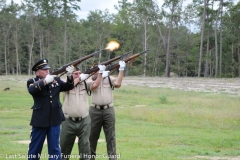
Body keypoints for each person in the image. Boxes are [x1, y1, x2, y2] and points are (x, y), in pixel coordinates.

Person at [27, 59, 75, 160]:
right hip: (40, 120)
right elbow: (32, 90)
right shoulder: (32, 81)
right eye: (44, 70)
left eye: (48, 69)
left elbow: (68, 86)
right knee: (35, 148)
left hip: (55, 119)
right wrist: (45, 81)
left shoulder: (56, 79)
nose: (47, 71)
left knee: (55, 149)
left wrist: (70, 76)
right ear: (37, 71)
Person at [60, 65, 106, 160]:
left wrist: (100, 73)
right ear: (71, 74)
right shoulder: (65, 83)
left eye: (79, 73)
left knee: (85, 147)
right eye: (75, 73)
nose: (78, 75)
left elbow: (95, 85)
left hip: (84, 120)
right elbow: (68, 87)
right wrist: (79, 78)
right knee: (64, 148)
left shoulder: (85, 82)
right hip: (68, 121)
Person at [89, 61, 126, 160]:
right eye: (96, 70)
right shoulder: (90, 79)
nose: (97, 71)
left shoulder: (109, 78)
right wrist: (100, 74)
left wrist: (121, 70)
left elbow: (118, 84)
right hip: (94, 110)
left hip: (108, 110)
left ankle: (112, 157)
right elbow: (94, 84)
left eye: (99, 69)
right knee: (92, 136)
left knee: (111, 136)